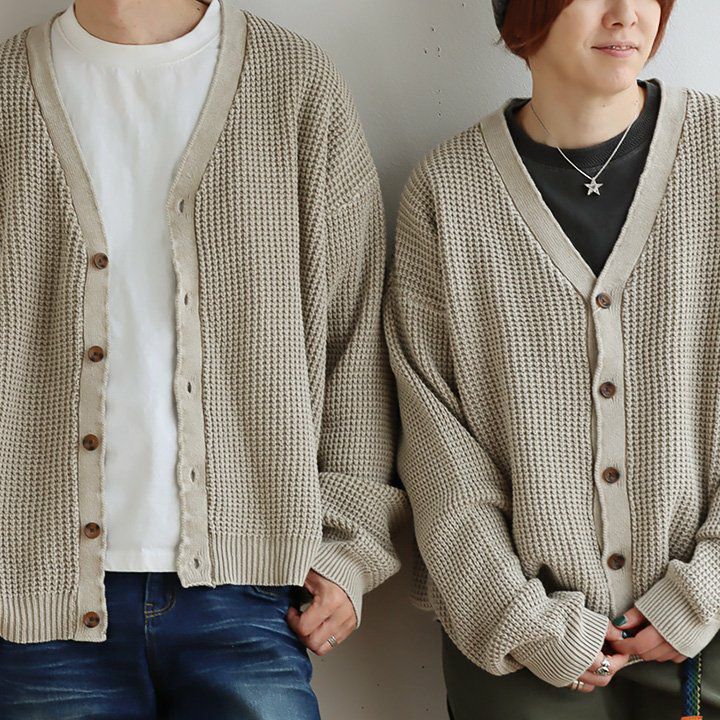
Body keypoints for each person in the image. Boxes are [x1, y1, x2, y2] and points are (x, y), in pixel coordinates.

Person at [0, 0, 409, 717]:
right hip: (34, 600)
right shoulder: (7, 89)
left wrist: (349, 544)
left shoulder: (294, 82)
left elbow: (356, 338)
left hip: (252, 594)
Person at [383, 0, 720, 718]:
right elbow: (438, 452)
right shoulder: (448, 194)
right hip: (521, 644)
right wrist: (526, 622)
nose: (627, 15)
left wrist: (705, 588)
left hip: (714, 634)